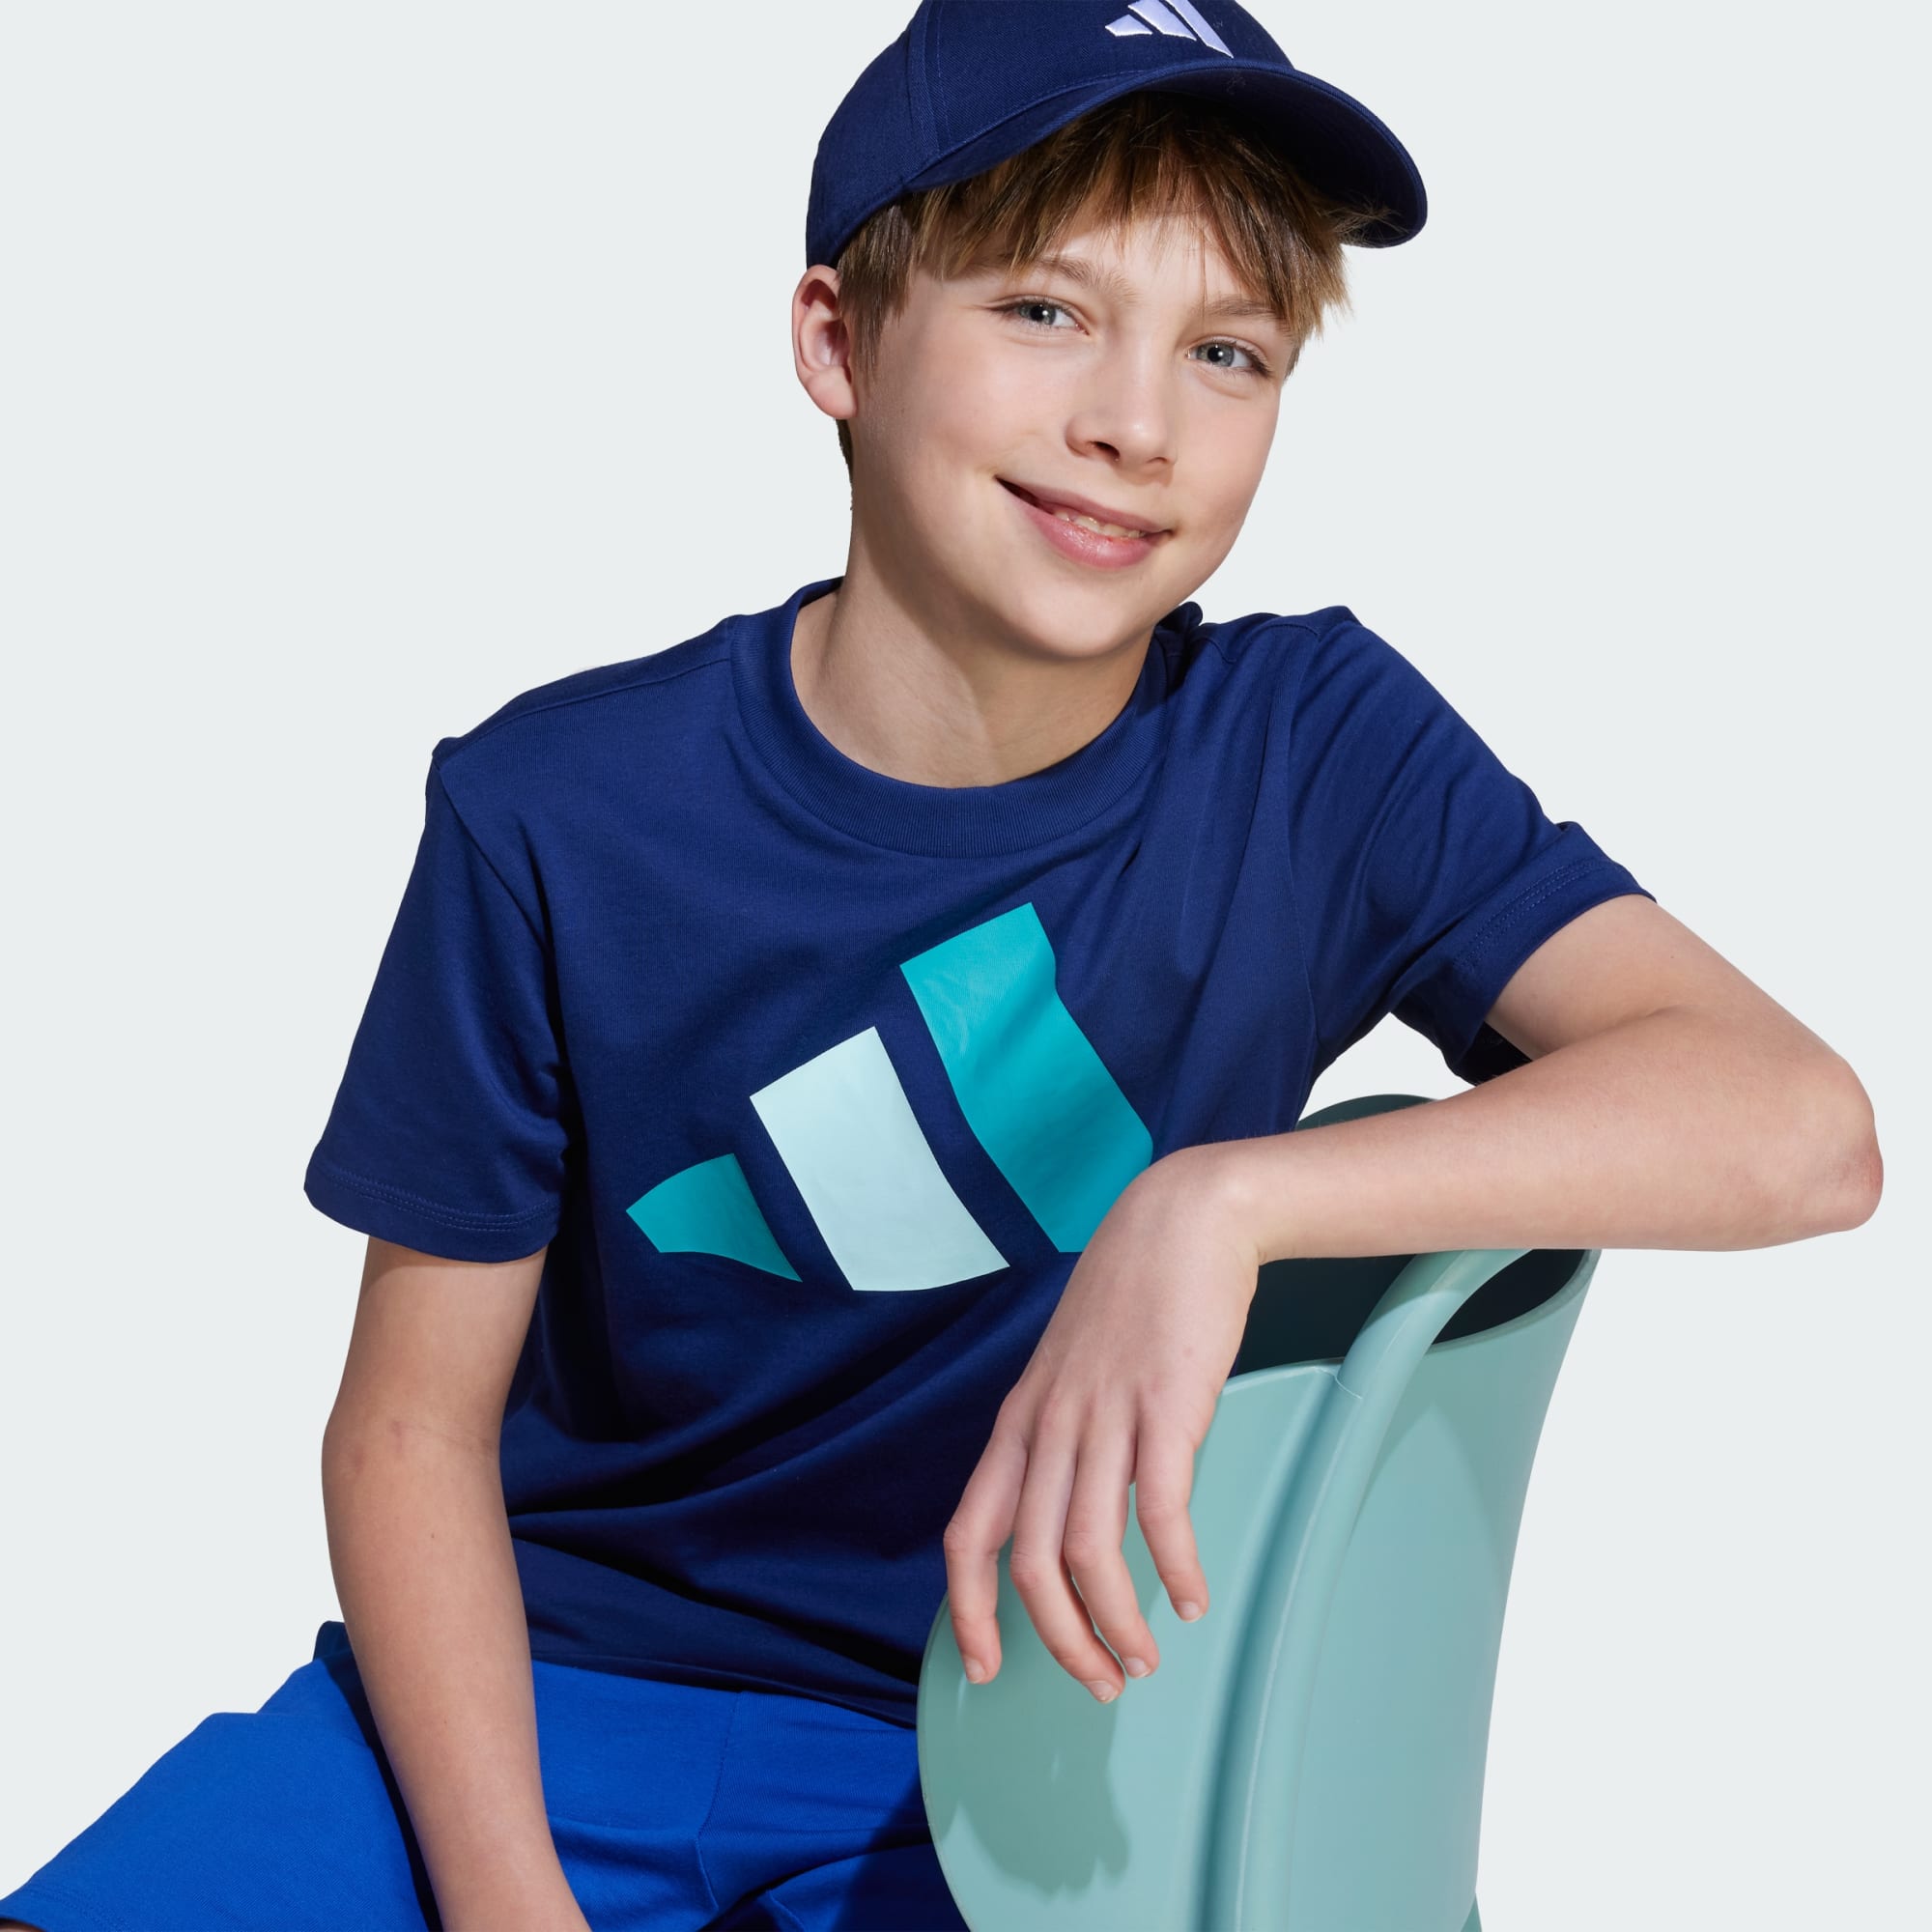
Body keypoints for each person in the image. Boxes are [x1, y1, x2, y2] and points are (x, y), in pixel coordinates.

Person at [0, 2, 1883, 1929]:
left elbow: (1798, 1127)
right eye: (1046, 311)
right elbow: (409, 1425)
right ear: (840, 342)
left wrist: (1219, 1203)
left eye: (1227, 351)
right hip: (528, 1707)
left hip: (1020, 1762)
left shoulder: (1310, 751)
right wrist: (507, 1900)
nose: (1136, 423)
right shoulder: (555, 811)